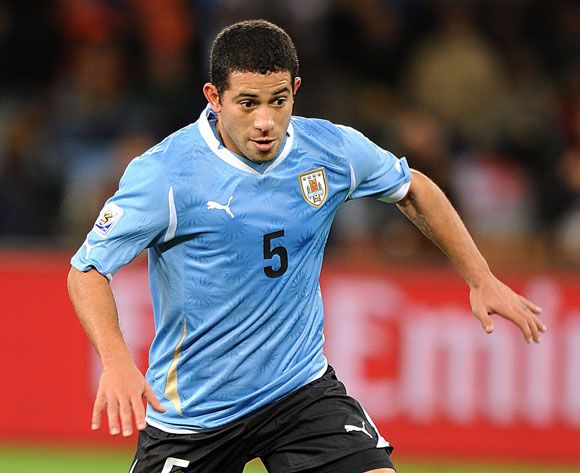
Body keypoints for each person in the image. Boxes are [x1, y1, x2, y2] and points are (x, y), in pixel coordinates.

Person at [67, 20, 546, 473]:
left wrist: (480, 277)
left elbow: (413, 188)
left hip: (297, 392)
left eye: (278, 101)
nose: (265, 121)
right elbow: (87, 270)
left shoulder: (328, 150)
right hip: (195, 415)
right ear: (214, 97)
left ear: (295, 89)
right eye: (247, 103)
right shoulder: (166, 174)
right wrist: (116, 359)